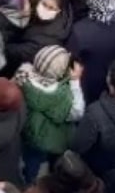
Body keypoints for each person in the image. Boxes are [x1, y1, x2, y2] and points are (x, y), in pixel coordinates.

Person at [17, 46, 86, 183]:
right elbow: (77, 113)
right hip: (55, 139)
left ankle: (29, 181)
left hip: (33, 135)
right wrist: (75, 81)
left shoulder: (23, 77)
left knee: (32, 161)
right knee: (55, 165)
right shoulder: (62, 95)